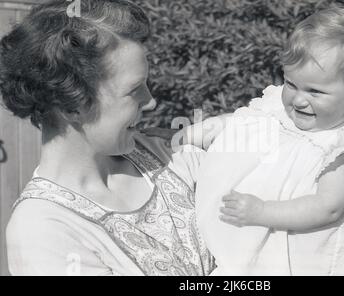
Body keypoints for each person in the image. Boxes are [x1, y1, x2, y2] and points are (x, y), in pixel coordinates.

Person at [0, 0, 213, 275]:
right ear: (71, 106)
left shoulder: (169, 155)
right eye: (133, 89)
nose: (151, 102)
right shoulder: (43, 228)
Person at [183, 5, 344, 275]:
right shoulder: (278, 110)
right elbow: (240, 122)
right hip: (249, 249)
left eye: (315, 91)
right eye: (291, 84)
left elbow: (328, 208)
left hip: (304, 264)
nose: (298, 99)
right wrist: (194, 134)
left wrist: (262, 211)